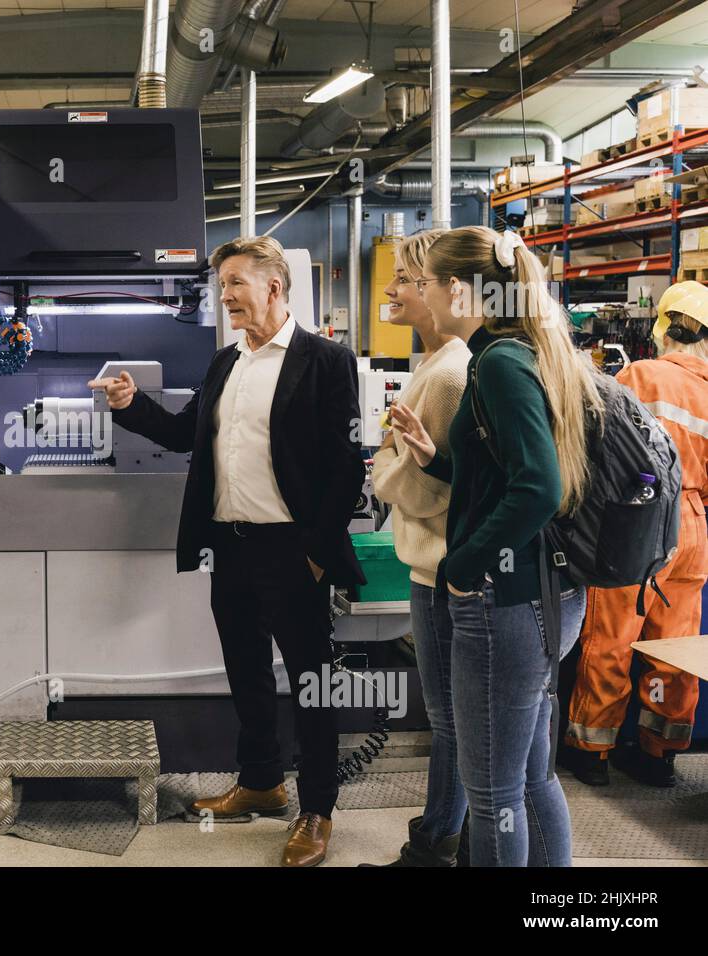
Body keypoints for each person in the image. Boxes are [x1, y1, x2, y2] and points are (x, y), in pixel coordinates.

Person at [89, 236, 364, 867]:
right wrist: (132, 408)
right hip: (232, 547)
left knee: (313, 682)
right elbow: (190, 436)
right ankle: (263, 781)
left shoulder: (324, 360)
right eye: (223, 284)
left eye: (236, 282)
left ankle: (317, 807)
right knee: (245, 671)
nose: (226, 295)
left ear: (274, 285)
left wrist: (319, 553)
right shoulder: (225, 363)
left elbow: (345, 464)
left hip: (294, 551)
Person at [390, 226, 599, 866]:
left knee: (492, 791)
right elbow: (508, 475)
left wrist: (462, 565)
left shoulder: (501, 362)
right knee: (531, 778)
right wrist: (440, 461)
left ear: (458, 289)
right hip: (546, 594)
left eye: (422, 283)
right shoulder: (521, 351)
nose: (417, 293)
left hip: (505, 602)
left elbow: (539, 486)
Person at [561, 281, 708, 787]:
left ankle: (591, 752)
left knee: (612, 637)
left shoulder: (638, 375)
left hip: (636, 520)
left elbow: (604, 450)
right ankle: (658, 752)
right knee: (675, 641)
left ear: (662, 326)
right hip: (692, 524)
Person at [367, 229, 471, 866]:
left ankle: (436, 841)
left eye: (407, 280)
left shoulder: (450, 374)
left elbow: (426, 488)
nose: (392, 290)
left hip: (442, 567)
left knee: (451, 716)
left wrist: (381, 467)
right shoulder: (432, 366)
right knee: (449, 715)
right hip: (430, 566)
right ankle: (437, 834)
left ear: (439, 293)